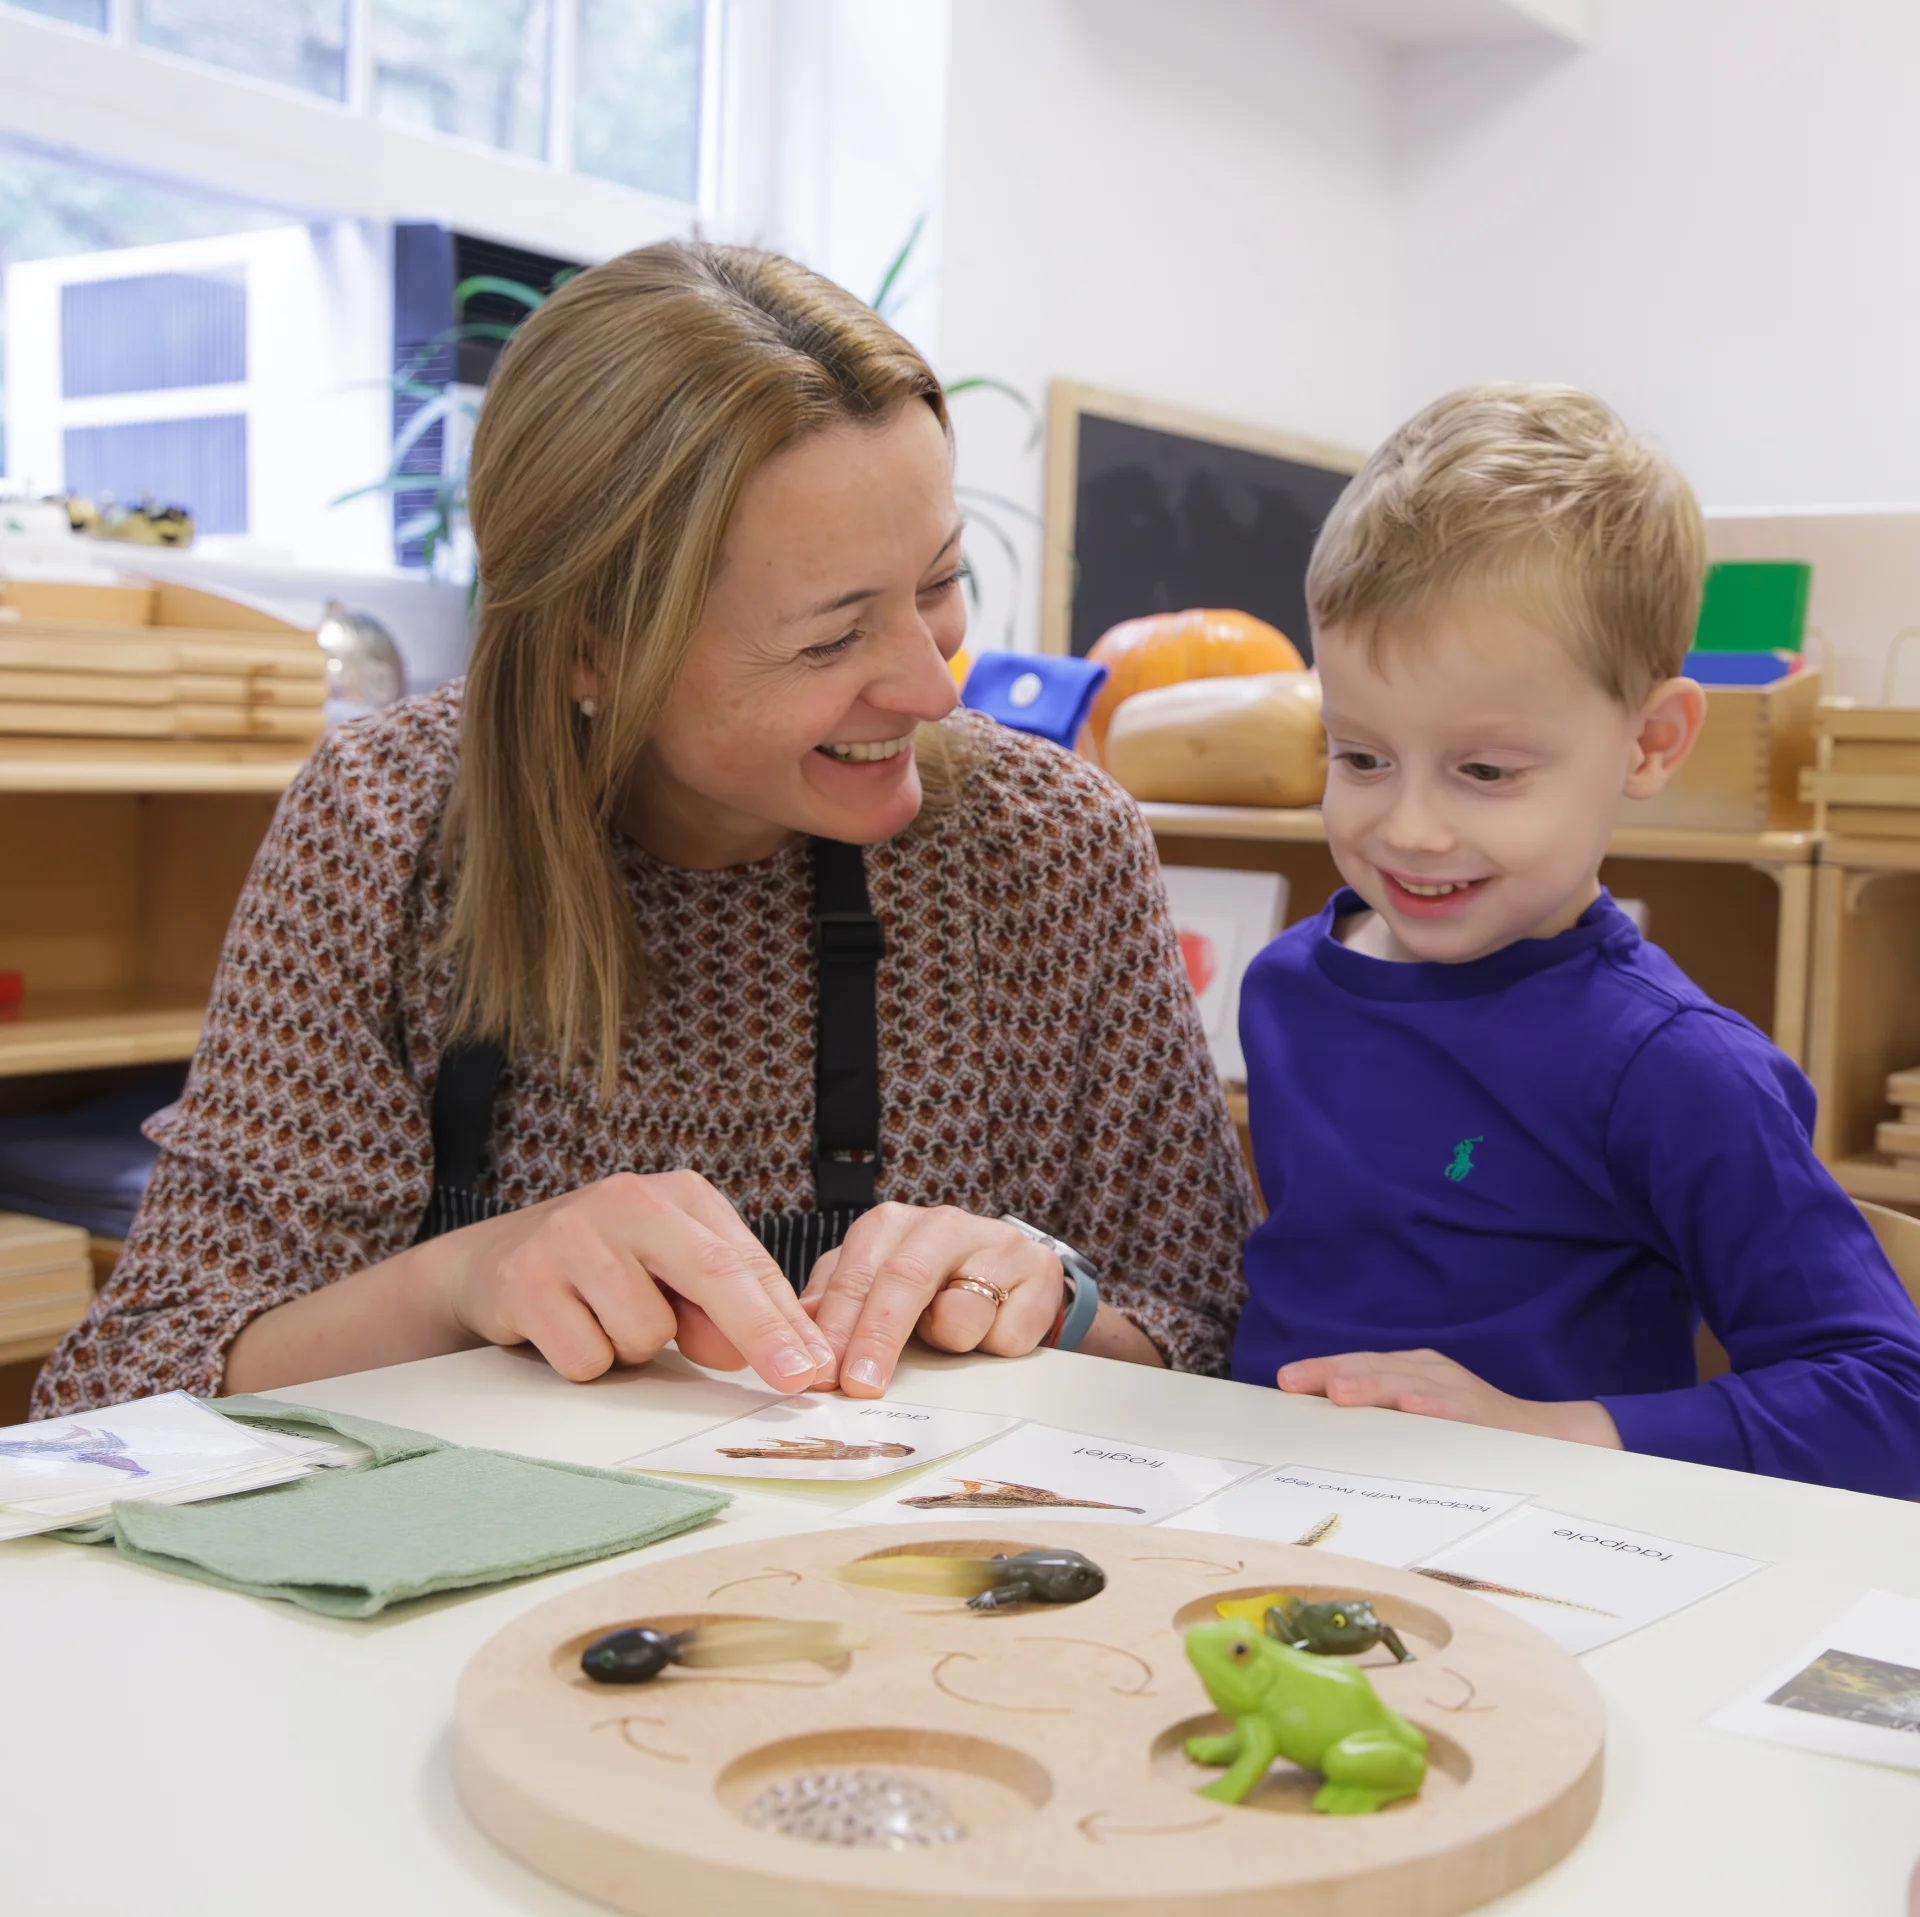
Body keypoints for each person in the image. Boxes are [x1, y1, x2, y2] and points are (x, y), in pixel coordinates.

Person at [34, 243, 1253, 1418]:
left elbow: (1207, 1331)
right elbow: (135, 1378)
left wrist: (1057, 1301)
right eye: (832, 637)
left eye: (936, 583)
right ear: (588, 651)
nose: (936, 687)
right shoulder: (388, 821)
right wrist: (458, 1283)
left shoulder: (1050, 847)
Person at [1235, 383, 1920, 1498]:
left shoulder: (1680, 1071)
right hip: (1270, 1522)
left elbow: (1890, 1403)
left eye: (1486, 770)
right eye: (1360, 756)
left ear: (1650, 743)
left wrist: (1541, 1430)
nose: (1406, 826)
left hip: (1546, 1568)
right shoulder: (1286, 990)